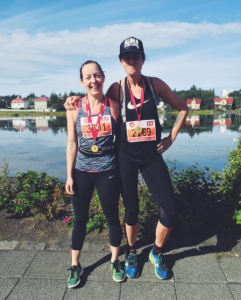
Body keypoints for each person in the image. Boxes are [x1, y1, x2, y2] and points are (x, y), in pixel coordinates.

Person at [65, 37, 189, 280]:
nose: (132, 60)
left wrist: (171, 138)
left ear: (143, 59)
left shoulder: (155, 85)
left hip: (152, 158)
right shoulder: (116, 89)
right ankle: (131, 252)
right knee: (131, 209)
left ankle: (156, 251)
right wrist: (72, 100)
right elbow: (94, 101)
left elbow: (183, 108)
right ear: (121, 61)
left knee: (170, 211)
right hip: (125, 159)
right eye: (127, 57)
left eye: (136, 56)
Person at [65, 60, 126, 288]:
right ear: (82, 81)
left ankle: (115, 261)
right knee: (80, 220)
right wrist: (69, 176)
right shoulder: (74, 108)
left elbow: (122, 141)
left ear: (103, 76)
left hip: (107, 171)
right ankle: (75, 265)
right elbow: (72, 144)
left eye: (97, 75)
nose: (93, 80)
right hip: (81, 171)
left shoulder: (114, 106)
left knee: (112, 218)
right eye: (88, 77)